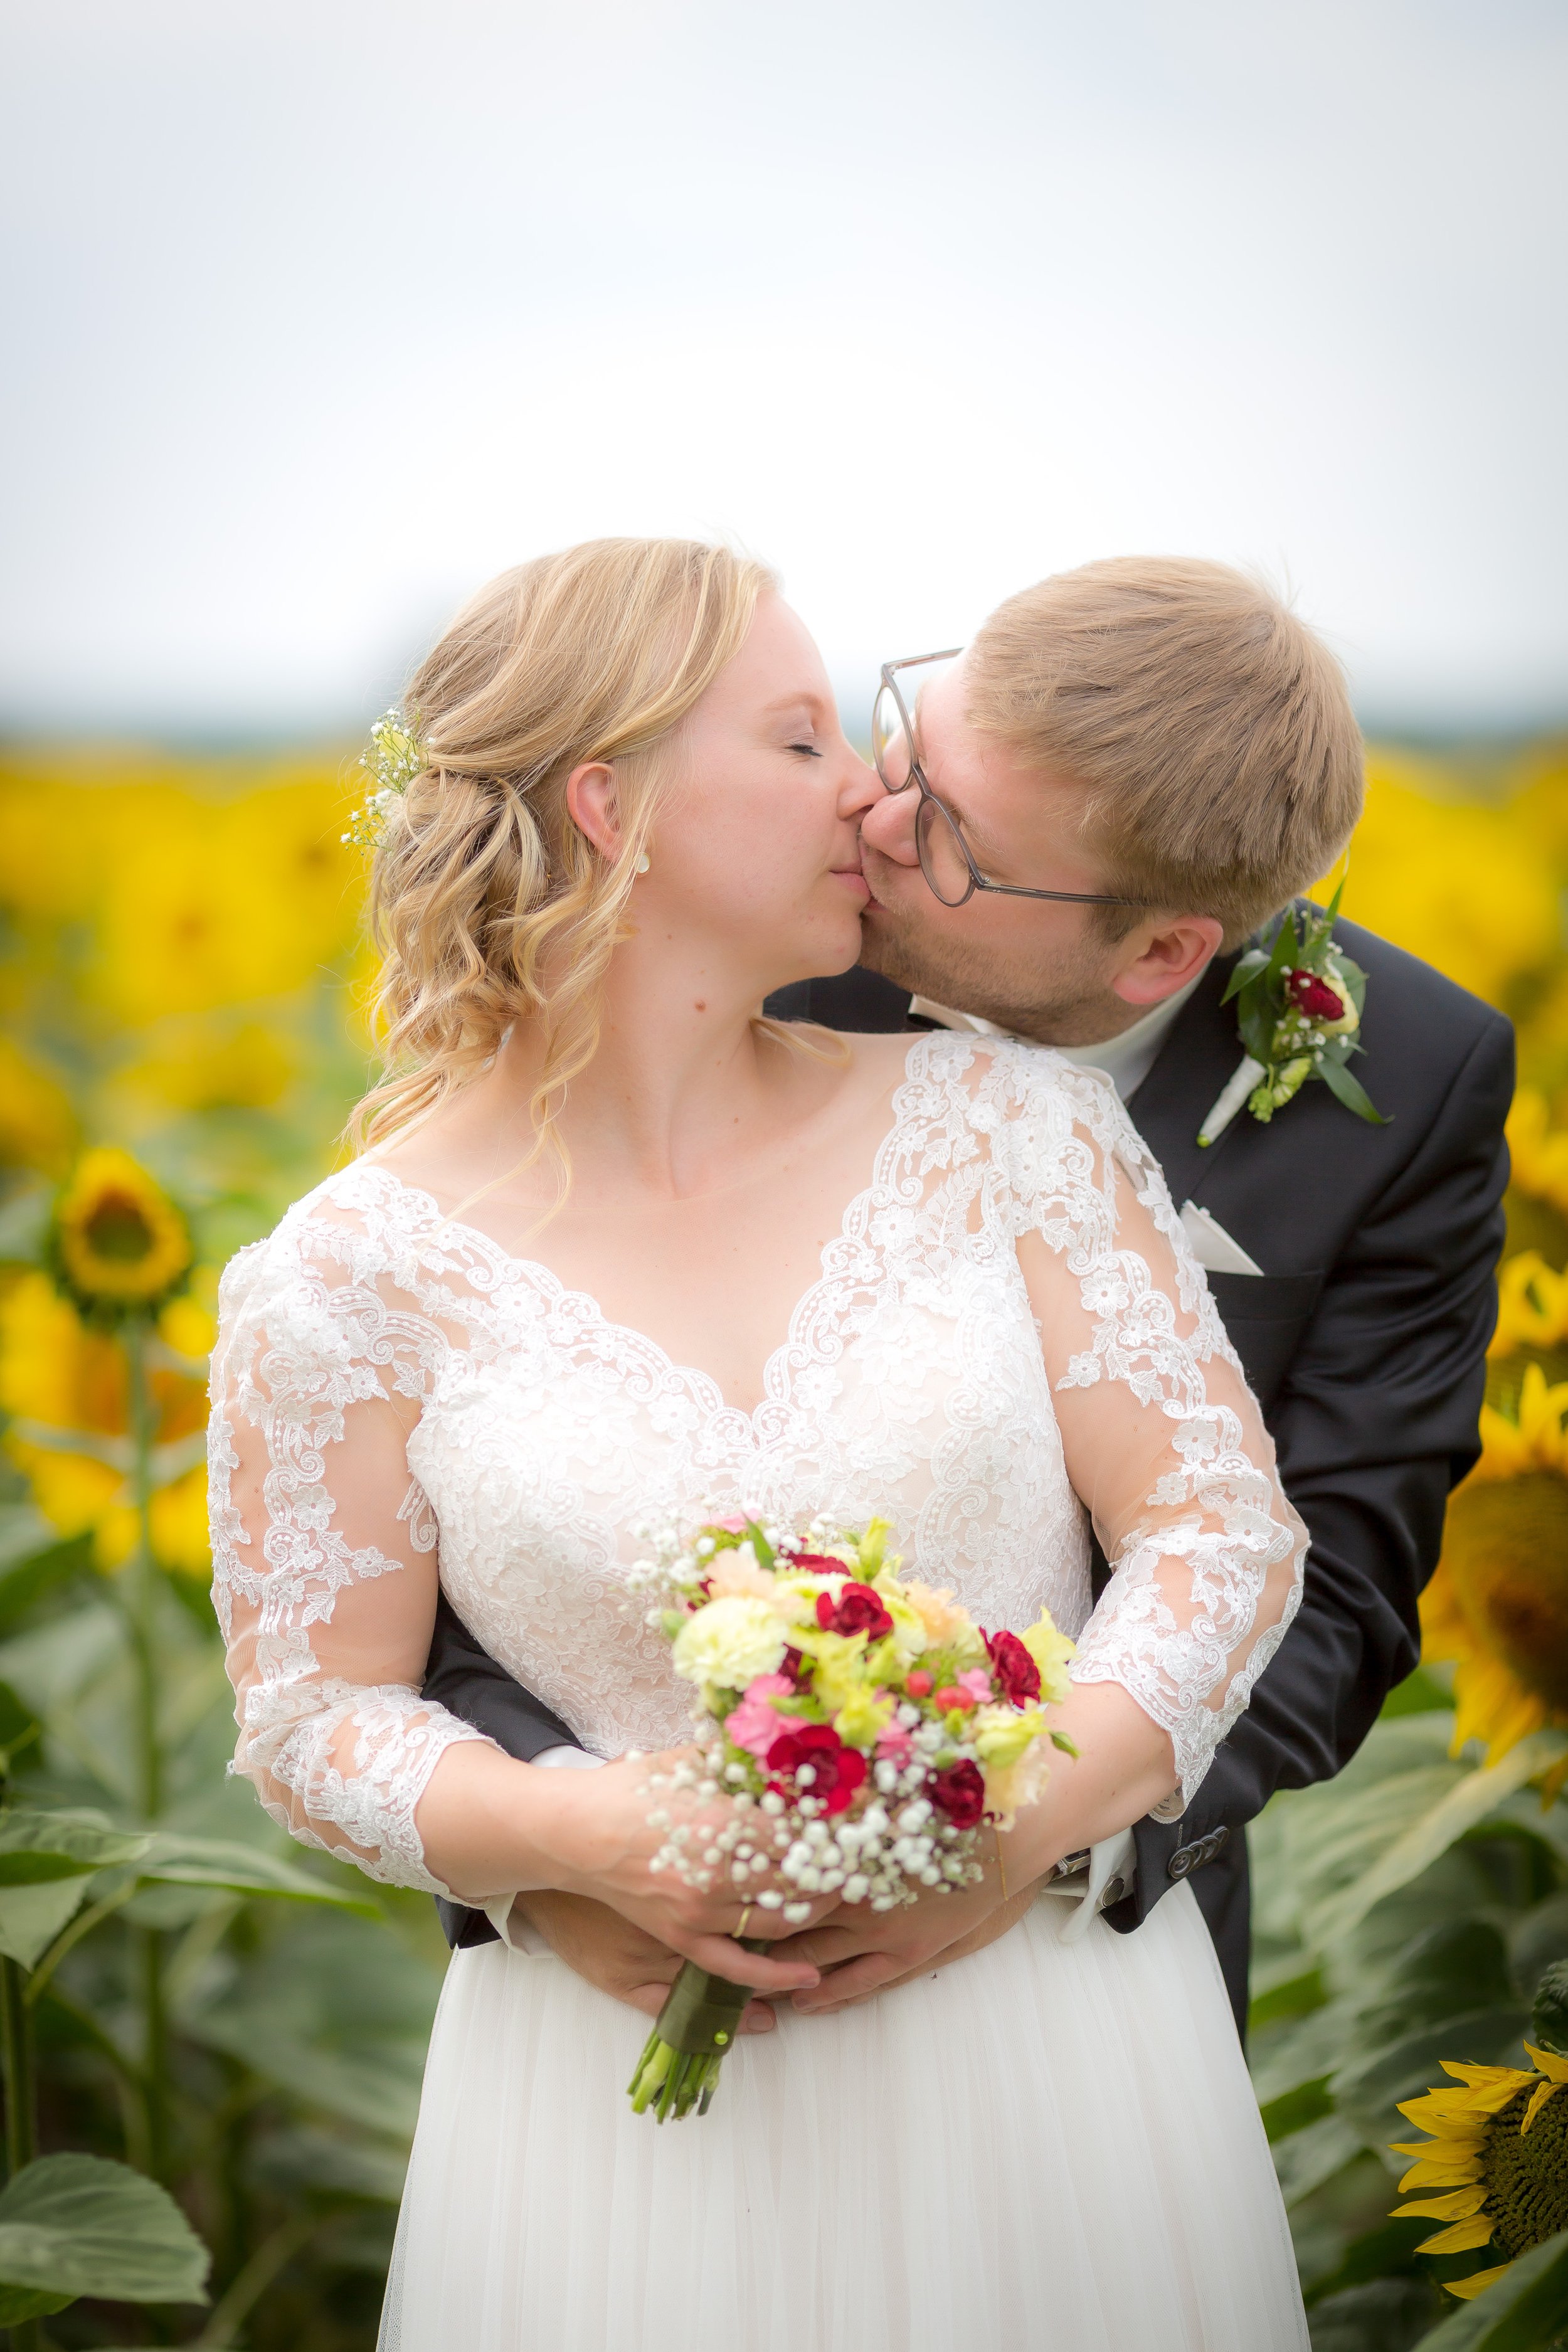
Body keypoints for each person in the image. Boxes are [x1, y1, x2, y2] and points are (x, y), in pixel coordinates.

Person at [209, 538, 1314, 2349]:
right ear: (609, 803)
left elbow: (1220, 1530)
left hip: (1039, 2058)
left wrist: (1014, 1819)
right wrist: (584, 1831)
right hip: (611, 2122)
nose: (875, 789)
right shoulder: (342, 1275)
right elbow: (311, 1717)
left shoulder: (1010, 1125)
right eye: (802, 739)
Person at [427, 557, 1512, 2040]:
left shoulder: (1406, 1086)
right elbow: (489, 1449)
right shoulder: (757, 956)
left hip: (1081, 1968)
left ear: (1160, 951)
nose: (870, 822)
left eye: (948, 838)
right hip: (618, 1955)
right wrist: (552, 1853)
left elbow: (1338, 1580)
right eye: (905, 748)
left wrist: (1031, 1839)